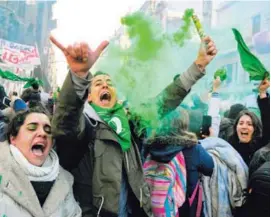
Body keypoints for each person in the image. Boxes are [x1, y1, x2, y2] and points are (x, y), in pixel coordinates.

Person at [50, 34, 217, 217]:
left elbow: (163, 102)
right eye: (98, 84)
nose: (105, 86)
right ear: (89, 96)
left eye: (109, 84)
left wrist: (198, 66)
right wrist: (79, 75)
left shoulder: (128, 124)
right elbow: (65, 123)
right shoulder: (85, 126)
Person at [0, 106, 82, 217]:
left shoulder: (65, 182)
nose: (43, 133)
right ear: (13, 138)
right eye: (32, 127)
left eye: (48, 130)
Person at [144, 108, 214, 217]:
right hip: (185, 209)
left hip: (152, 209)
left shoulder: (150, 146)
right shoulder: (193, 148)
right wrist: (211, 139)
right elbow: (210, 167)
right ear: (185, 124)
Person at [228, 78, 270, 166]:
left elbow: (267, 120)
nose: (244, 126)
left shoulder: (261, 146)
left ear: (255, 129)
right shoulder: (229, 147)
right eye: (241, 123)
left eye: (249, 124)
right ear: (236, 127)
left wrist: (262, 93)